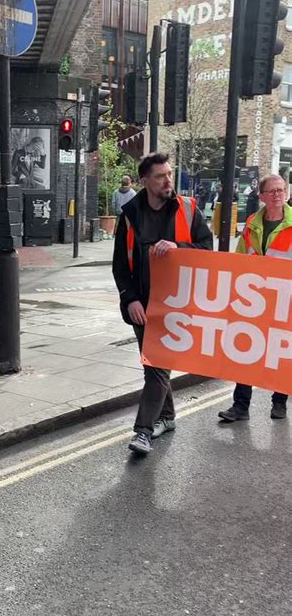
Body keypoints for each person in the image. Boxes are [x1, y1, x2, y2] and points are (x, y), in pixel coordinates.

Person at [113, 152, 213, 455]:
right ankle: (167, 417)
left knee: (157, 368)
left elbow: (207, 250)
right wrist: (129, 299)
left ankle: (142, 431)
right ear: (145, 181)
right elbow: (120, 265)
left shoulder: (188, 209)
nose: (168, 180)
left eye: (169, 174)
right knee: (153, 367)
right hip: (143, 305)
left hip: (177, 306)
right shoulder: (130, 214)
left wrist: (179, 247)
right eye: (160, 176)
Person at [218, 174, 291, 423]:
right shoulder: (251, 223)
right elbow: (240, 259)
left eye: (281, 190)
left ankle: (279, 401)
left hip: (285, 302)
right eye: (272, 191)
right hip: (254, 300)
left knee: (281, 352)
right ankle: (241, 406)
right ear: (261, 196)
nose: (277, 195)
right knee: (246, 350)